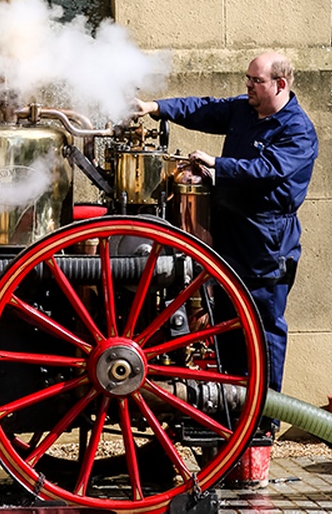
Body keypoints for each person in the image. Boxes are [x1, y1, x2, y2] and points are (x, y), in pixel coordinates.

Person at [134, 52, 318, 404]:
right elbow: (203, 109)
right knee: (226, 323)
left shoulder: (298, 131)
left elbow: (267, 170)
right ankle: (233, 410)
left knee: (262, 329)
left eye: (255, 80)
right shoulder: (243, 110)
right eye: (247, 78)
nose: (247, 85)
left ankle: (264, 416)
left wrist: (218, 164)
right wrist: (153, 107)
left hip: (265, 243)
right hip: (228, 235)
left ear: (280, 84)